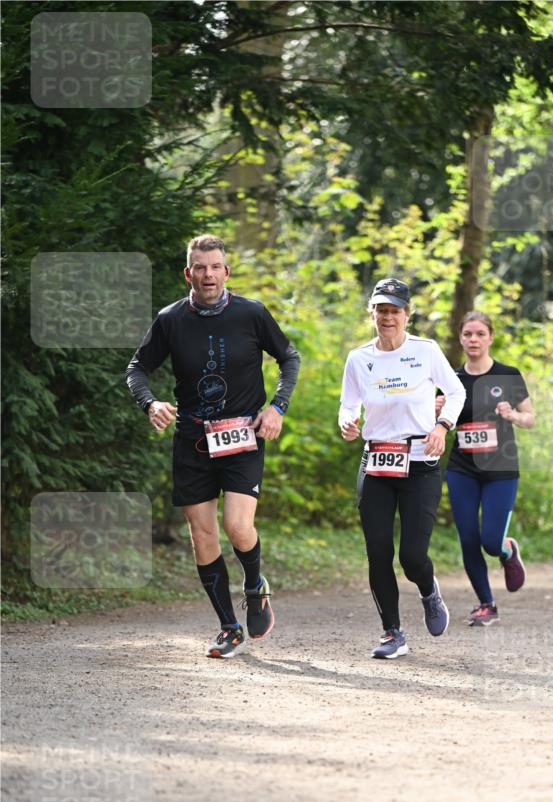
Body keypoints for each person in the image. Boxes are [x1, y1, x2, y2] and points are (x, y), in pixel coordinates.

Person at [126, 234, 300, 657]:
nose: (208, 274)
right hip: (193, 439)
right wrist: (150, 404)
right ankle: (229, 627)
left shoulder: (252, 314)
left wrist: (277, 406)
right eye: (200, 267)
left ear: (227, 271)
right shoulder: (170, 320)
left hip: (243, 435)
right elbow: (136, 370)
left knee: (238, 527)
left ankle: (255, 584)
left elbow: (289, 358)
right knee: (203, 537)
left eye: (215, 266)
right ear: (189, 273)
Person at [339, 278, 466, 659]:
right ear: (371, 313)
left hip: (421, 462)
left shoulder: (425, 351)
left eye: (394, 310)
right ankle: (392, 633)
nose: (387, 317)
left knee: (411, 555)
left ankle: (429, 592)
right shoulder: (359, 358)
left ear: (407, 315)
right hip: (376, 462)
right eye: (381, 310)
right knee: (378, 551)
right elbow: (349, 403)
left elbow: (456, 391)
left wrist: (443, 427)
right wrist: (347, 421)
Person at [442, 310, 534, 626]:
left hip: (501, 469)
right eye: (467, 334)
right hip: (461, 468)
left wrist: (513, 416)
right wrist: (436, 410)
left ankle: (507, 551)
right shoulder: (451, 379)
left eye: (480, 334)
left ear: (490, 337)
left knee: (490, 542)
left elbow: (530, 419)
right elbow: (437, 423)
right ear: (460, 338)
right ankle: (486, 603)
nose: (473, 340)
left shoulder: (508, 375)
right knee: (468, 538)